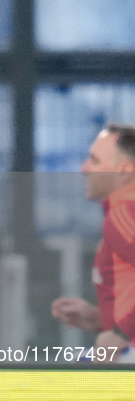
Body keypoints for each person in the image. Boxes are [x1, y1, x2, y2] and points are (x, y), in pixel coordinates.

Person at [51, 124, 135, 363]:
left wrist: (120, 335)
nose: (84, 168)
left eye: (95, 161)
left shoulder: (124, 214)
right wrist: (99, 318)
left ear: (124, 171)